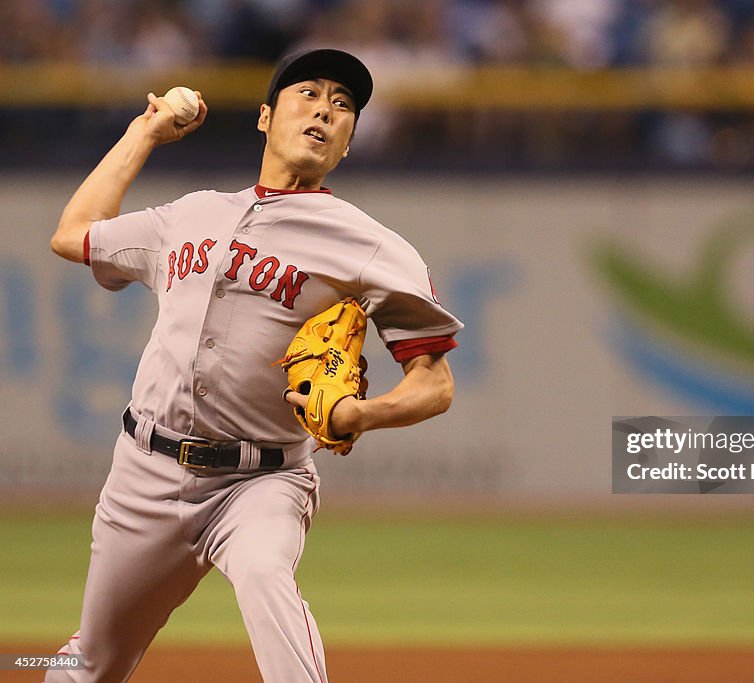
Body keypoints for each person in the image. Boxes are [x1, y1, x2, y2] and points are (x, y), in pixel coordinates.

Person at [46, 48, 462, 682]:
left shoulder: (371, 245)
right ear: (266, 117)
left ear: (347, 144)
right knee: (92, 660)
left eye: (344, 105)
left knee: (267, 577)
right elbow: (75, 233)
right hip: (145, 472)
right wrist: (145, 132)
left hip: (261, 480)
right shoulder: (189, 215)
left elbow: (434, 384)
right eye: (309, 93)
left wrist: (362, 414)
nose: (325, 108)